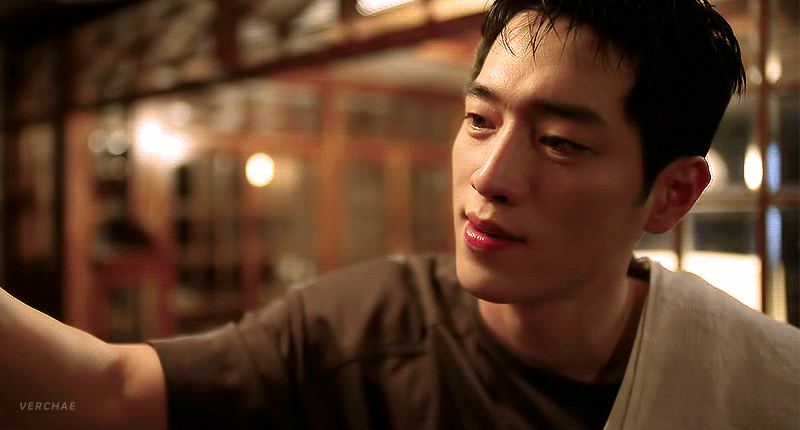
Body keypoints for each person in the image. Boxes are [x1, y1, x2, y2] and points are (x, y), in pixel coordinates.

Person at [1, 0, 798, 429]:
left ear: (672, 194)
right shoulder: (362, 330)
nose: (489, 176)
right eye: (479, 120)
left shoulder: (763, 382)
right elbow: (103, 394)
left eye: (559, 142)